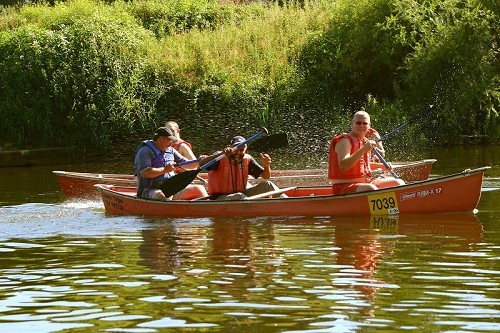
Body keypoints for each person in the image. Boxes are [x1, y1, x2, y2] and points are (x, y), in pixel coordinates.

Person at [328, 111, 405, 194]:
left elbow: (362, 165)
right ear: (352, 123)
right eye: (358, 123)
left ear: (369, 126)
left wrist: (382, 166)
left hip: (366, 184)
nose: (361, 126)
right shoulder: (344, 141)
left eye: (365, 123)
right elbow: (344, 165)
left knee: (398, 183)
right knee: (371, 189)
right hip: (344, 187)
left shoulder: (365, 141)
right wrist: (364, 149)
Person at [135, 127, 208, 201]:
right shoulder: (145, 151)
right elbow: (145, 173)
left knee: (199, 189)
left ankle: (207, 210)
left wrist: (199, 162)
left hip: (171, 187)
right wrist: (165, 169)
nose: (171, 143)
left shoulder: (171, 150)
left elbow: (186, 164)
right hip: (151, 189)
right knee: (162, 196)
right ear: (160, 139)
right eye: (169, 140)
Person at [206, 135, 284, 200]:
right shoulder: (220, 157)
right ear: (230, 147)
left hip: (242, 194)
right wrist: (221, 154)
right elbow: (202, 164)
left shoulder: (247, 160)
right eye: (236, 149)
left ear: (245, 150)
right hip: (219, 198)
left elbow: (266, 176)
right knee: (240, 196)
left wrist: (266, 166)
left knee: (268, 185)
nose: (238, 153)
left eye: (241, 150)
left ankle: (288, 203)